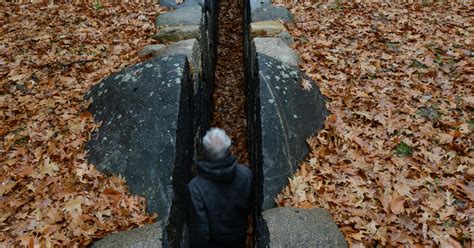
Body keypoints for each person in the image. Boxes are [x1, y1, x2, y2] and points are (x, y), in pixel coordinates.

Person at [187, 128, 252, 248]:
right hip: (238, 236)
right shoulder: (245, 174)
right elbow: (250, 206)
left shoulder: (196, 187)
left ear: (205, 152)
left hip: (214, 243)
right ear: (229, 149)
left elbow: (200, 229)